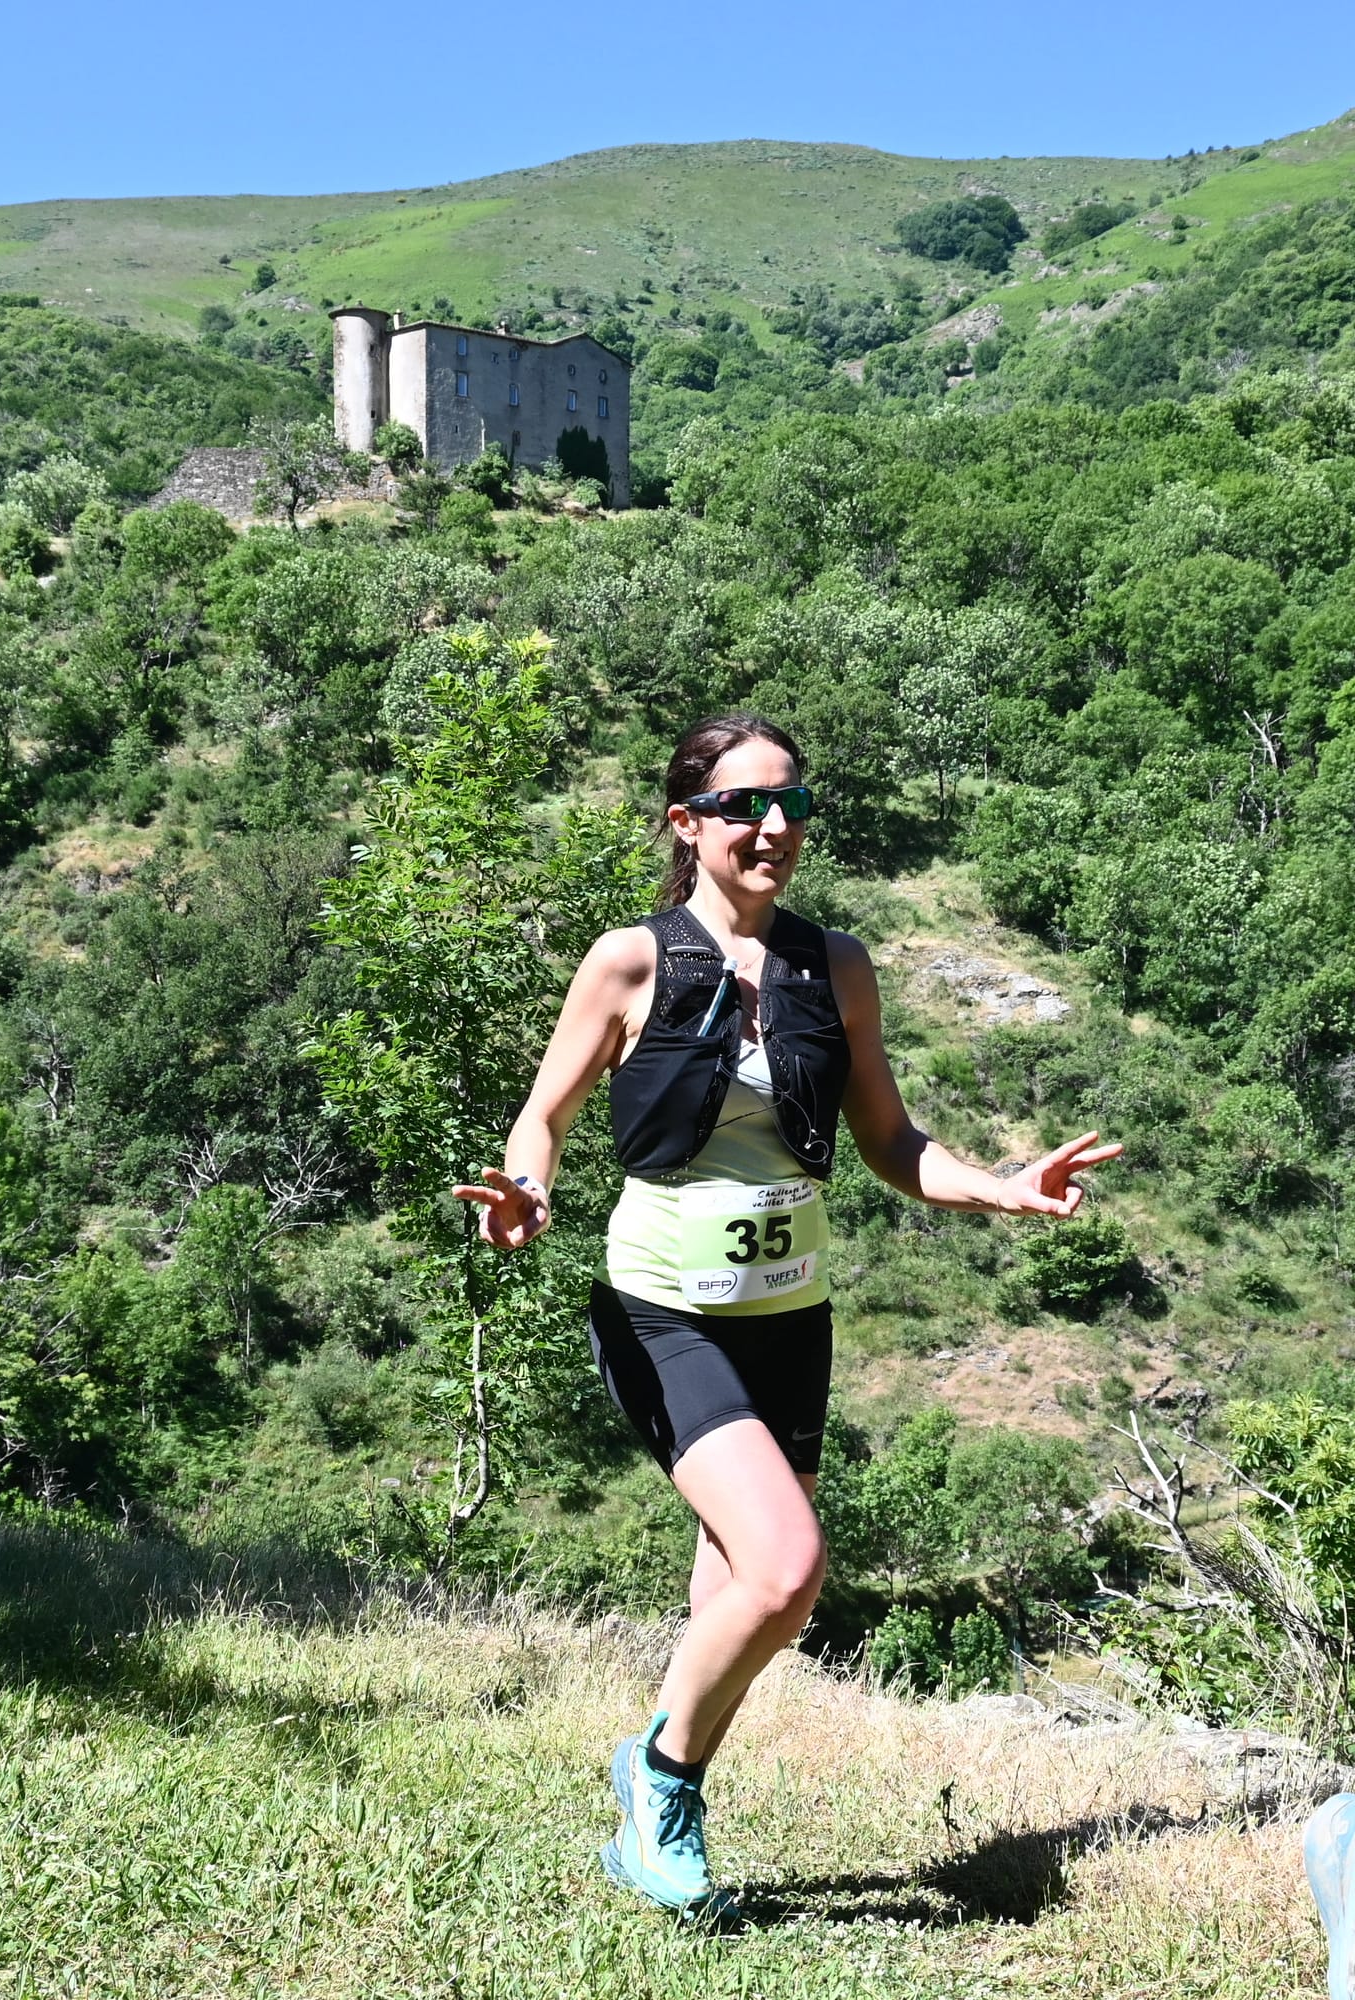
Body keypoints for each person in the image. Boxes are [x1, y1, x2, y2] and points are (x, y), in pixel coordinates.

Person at [452, 712, 1120, 1916]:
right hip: (664, 1312)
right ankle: (658, 1784)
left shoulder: (834, 966)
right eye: (745, 806)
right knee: (789, 1570)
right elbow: (541, 1114)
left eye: (792, 808)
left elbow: (889, 1142)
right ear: (685, 823)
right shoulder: (629, 961)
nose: (773, 828)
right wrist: (529, 1192)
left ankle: (664, 1790)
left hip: (788, 1318)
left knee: (734, 1591)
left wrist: (1005, 1190)